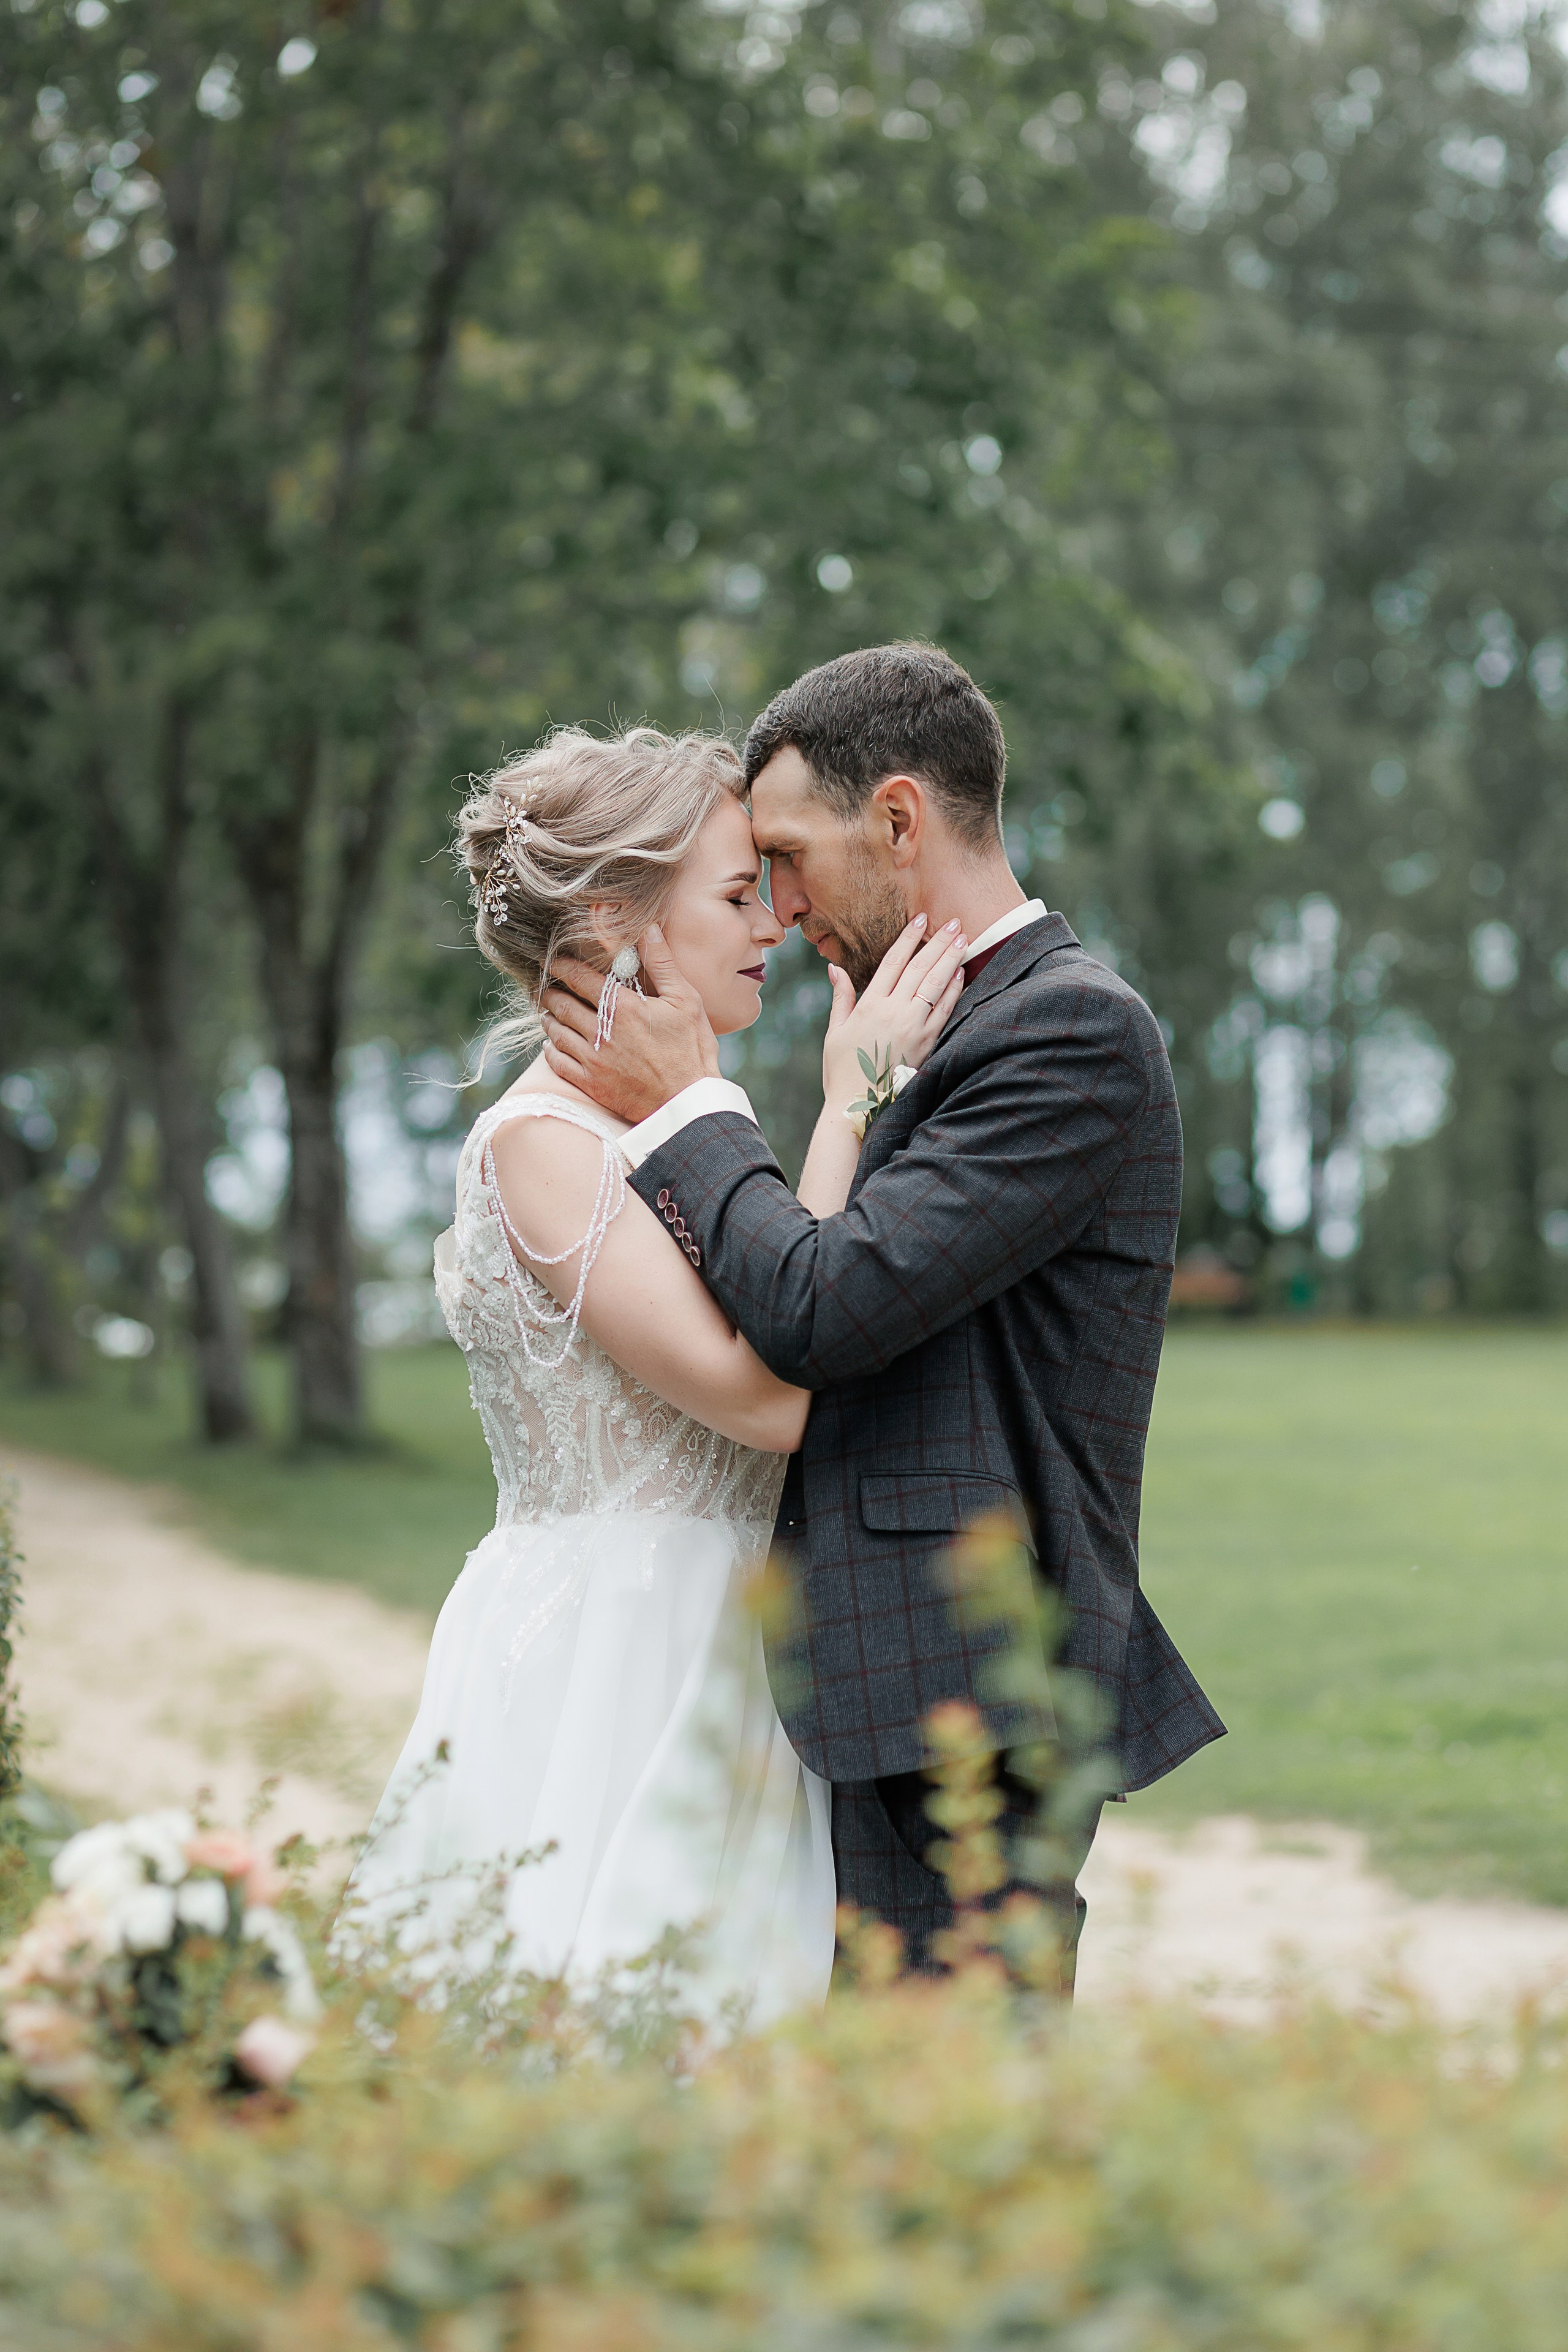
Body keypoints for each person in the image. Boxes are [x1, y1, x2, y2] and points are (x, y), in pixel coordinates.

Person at [538, 644, 1225, 1985]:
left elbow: (821, 1304)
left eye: (788, 858)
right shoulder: (927, 1028)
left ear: (900, 819)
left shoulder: (1070, 1032)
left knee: (957, 2082)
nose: (780, 907)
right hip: (879, 1679)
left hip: (971, 1684)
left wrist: (687, 1107)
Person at [349, 724, 966, 2023]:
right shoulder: (542, 1144)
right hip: (621, 1655)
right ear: (616, 922)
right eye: (738, 895)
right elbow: (772, 1396)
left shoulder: (659, 1126)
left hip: (726, 1642)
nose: (774, 924)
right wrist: (848, 1106)